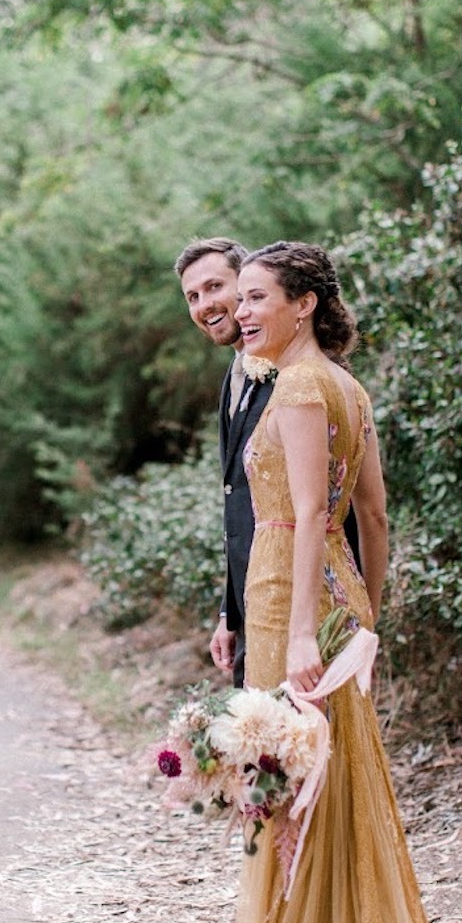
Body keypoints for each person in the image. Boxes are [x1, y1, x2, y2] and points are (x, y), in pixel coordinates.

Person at [230, 241, 462, 923]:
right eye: (241, 298)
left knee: (298, 790)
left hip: (291, 597)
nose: (243, 312)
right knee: (322, 787)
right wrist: (369, 612)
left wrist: (304, 631)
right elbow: (373, 516)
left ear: (304, 303)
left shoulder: (300, 385)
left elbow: (305, 513)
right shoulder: (350, 386)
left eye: (257, 296)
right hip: (339, 595)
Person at [175, 238, 273, 691]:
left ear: (248, 282)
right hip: (251, 605)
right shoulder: (234, 376)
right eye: (192, 297)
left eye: (215, 287)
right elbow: (243, 505)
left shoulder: (292, 375)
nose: (204, 305)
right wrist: (229, 613)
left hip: (292, 604)